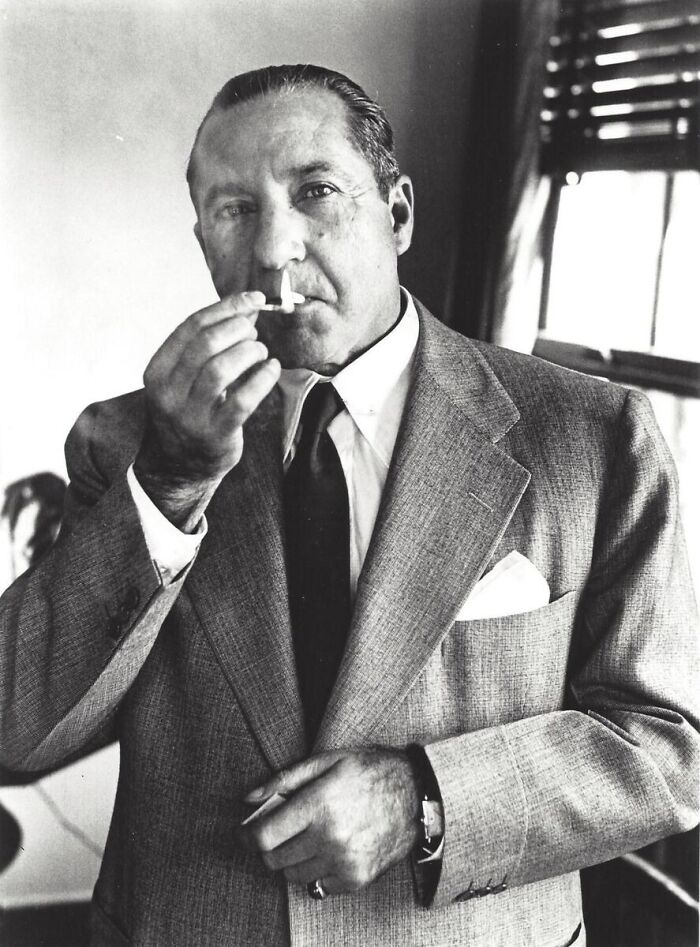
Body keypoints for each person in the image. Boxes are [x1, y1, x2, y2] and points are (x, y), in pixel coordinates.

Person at [0, 64, 697, 947]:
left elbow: (668, 748)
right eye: (234, 209)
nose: (274, 249)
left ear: (397, 214)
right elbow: (17, 734)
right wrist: (171, 485)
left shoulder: (594, 436)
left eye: (315, 192)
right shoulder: (127, 443)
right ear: (203, 241)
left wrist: (424, 800)